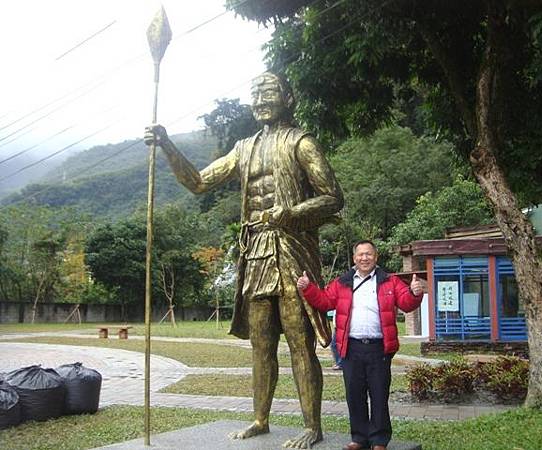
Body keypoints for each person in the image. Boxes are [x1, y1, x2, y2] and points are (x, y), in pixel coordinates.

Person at [145, 71, 343, 449]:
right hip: (254, 253)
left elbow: (333, 197)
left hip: (290, 250)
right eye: (255, 94)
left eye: (269, 92)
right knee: (261, 343)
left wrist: (292, 212)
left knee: (299, 341)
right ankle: (260, 419)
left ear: (288, 98)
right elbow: (200, 182)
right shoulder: (243, 148)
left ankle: (312, 426)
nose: (261, 100)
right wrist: (168, 145)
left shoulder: (301, 143)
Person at [297, 240, 424, 450]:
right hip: (351, 348)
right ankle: (359, 438)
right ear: (354, 258)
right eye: (360, 255)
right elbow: (325, 301)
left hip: (379, 348)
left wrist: (415, 293)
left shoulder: (389, 281)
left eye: (369, 254)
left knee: (379, 394)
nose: (364, 258)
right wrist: (308, 288)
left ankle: (379, 440)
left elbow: (406, 303)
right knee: (354, 395)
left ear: (376, 257)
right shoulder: (342, 282)